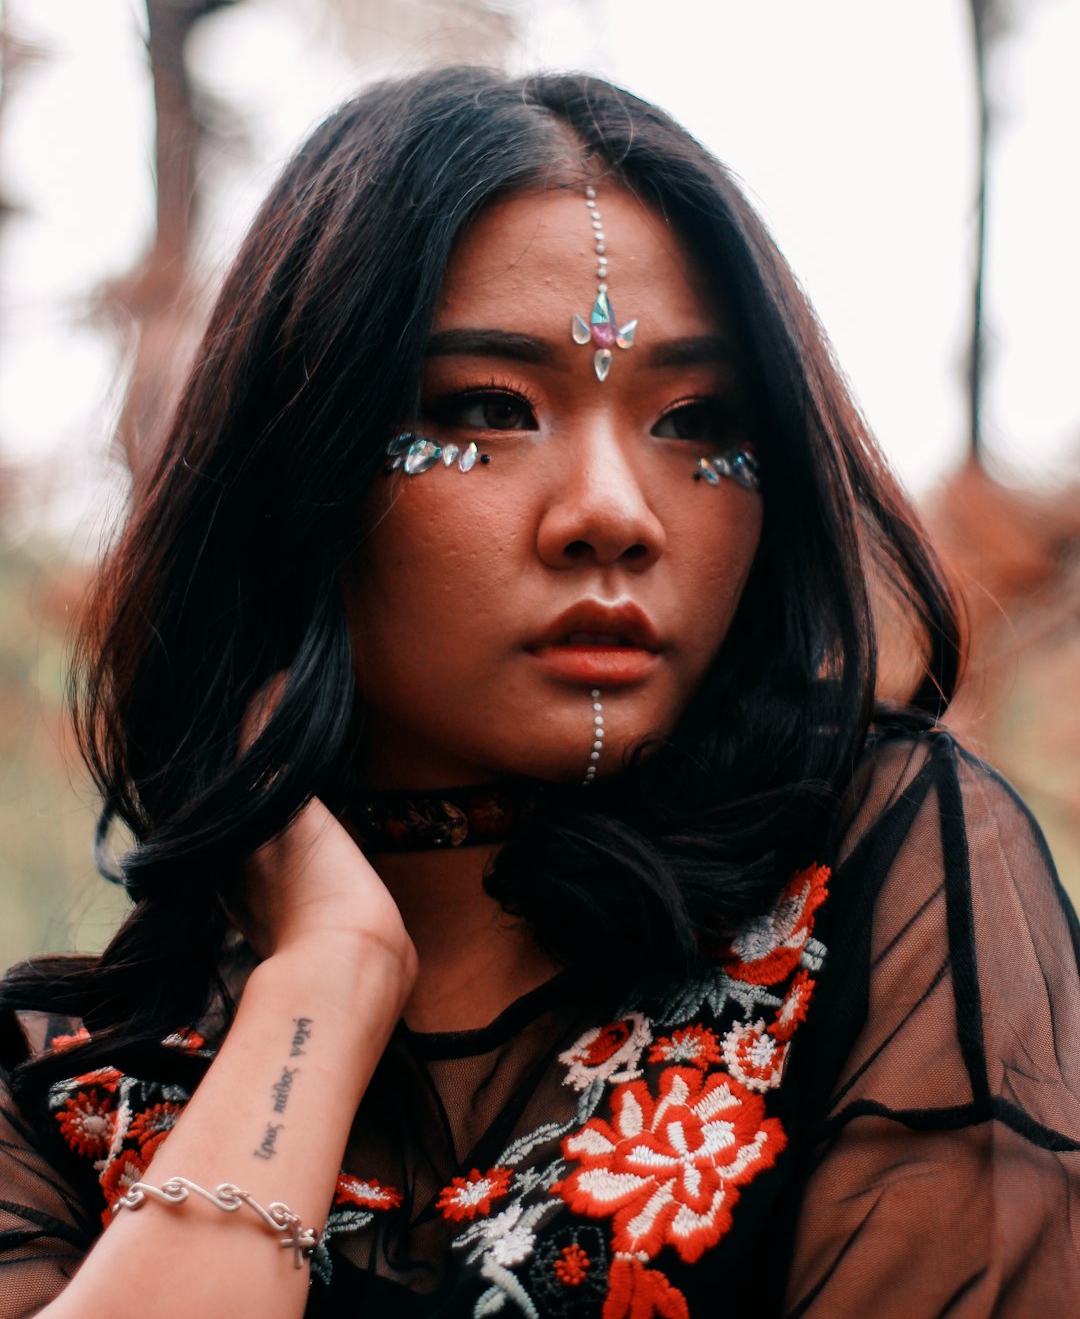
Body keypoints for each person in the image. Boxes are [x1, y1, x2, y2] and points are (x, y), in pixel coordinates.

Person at [0, 67, 1077, 1319]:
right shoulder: (58, 1090)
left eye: (696, 419)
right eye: (488, 410)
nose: (615, 513)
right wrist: (326, 983)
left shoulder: (877, 884)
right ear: (303, 467)